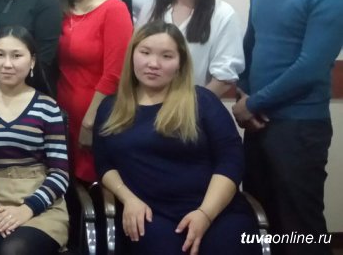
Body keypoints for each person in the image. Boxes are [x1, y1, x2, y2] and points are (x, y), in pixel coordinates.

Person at [232, 0, 343, 255]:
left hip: (300, 127)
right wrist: (244, 96)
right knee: (259, 218)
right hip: (260, 124)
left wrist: (253, 105)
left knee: (300, 226)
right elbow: (248, 53)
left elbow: (311, 67)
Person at [94, 21, 260, 255]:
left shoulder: (202, 101)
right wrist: (128, 199)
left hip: (216, 210)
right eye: (145, 52)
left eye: (166, 56)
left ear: (180, 63)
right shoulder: (110, 108)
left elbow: (230, 160)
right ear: (132, 55)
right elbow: (104, 165)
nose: (153, 63)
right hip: (150, 214)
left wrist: (205, 214)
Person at [0, 26, 70, 255]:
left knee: (15, 249)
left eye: (16, 55)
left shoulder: (47, 107)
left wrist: (27, 209)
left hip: (40, 200)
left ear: (32, 61)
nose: (7, 64)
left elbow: (60, 173)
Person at [56, 0, 133, 183]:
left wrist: (90, 122)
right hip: (60, 113)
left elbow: (115, 74)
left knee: (92, 186)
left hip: (96, 115)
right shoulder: (61, 10)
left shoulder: (114, 10)